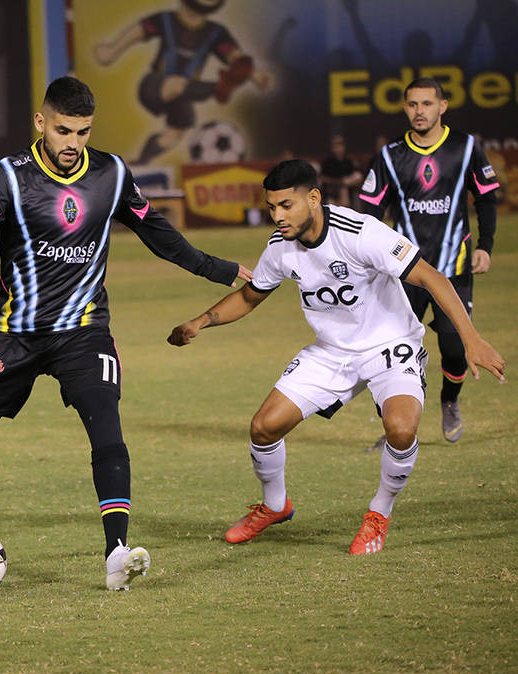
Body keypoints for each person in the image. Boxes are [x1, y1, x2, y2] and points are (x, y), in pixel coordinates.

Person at [0, 76, 252, 590]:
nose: (72, 143)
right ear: (40, 123)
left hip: (83, 330)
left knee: (108, 431)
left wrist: (222, 269)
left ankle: (116, 553)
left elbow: (161, 236)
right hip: (13, 334)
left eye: (82, 132)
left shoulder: (112, 173)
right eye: (63, 130)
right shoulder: (7, 179)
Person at [168, 160, 505, 555]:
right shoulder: (280, 248)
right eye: (271, 207)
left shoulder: (360, 233)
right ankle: (276, 506)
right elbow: (249, 296)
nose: (277, 216)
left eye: (286, 206)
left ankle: (379, 513)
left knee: (400, 429)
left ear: (313, 198)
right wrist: (200, 322)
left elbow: (433, 277)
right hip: (331, 353)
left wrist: (471, 339)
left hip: (390, 346)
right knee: (263, 428)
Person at [358, 77, 500, 444]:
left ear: (443, 106)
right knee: (394, 353)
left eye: (426, 103)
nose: (419, 111)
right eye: (412, 104)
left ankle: (449, 402)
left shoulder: (465, 148)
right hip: (403, 271)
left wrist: (485, 245)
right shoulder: (390, 155)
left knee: (454, 350)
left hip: (454, 269)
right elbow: (369, 212)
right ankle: (397, 426)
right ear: (405, 108)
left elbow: (485, 198)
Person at [93, 0, 273, 164]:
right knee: (176, 84)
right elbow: (139, 31)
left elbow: (235, 57)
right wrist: (112, 50)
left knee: (174, 133)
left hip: (183, 93)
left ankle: (141, 161)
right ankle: (217, 87)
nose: (193, 16)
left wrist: (255, 75)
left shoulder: (215, 33)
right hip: (154, 85)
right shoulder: (166, 20)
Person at [319, 135, 363, 207]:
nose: (338, 148)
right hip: (332, 190)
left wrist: (346, 183)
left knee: (346, 189)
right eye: (335, 145)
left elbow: (358, 177)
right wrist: (340, 182)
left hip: (349, 191)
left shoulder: (349, 162)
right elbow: (323, 178)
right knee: (342, 190)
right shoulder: (328, 163)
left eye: (340, 145)